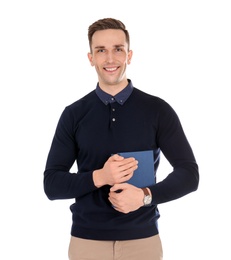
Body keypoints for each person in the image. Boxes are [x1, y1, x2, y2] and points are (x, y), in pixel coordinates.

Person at [43, 18, 199, 260]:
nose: (110, 59)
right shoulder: (74, 114)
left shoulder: (157, 110)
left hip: (143, 242)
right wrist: (101, 177)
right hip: (87, 243)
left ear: (129, 55)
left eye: (118, 49)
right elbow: (52, 184)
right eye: (101, 51)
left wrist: (145, 196)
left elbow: (189, 174)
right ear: (90, 58)